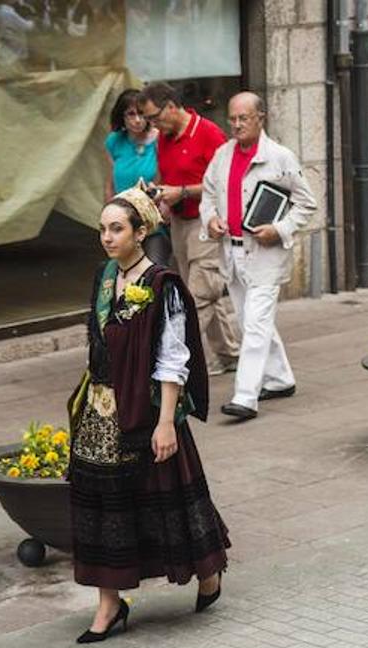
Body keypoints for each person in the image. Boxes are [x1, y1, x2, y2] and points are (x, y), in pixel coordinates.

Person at [67, 187, 230, 644]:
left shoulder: (163, 285)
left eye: (116, 228)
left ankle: (209, 571)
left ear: (141, 232)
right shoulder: (104, 278)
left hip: (148, 410)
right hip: (101, 411)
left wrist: (165, 423)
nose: (106, 237)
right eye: (102, 228)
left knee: (172, 500)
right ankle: (109, 603)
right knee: (103, 508)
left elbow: (172, 357)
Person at [201, 92, 318, 421]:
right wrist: (210, 220)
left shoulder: (280, 157)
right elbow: (208, 195)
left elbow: (307, 203)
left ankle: (245, 396)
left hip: (265, 254)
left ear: (260, 118)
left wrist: (279, 229)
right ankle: (280, 379)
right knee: (251, 320)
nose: (236, 125)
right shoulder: (222, 156)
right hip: (232, 252)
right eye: (232, 118)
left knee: (254, 324)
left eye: (243, 118)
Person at [139, 82, 242, 375]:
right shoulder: (164, 137)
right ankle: (230, 354)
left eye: (155, 117)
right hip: (180, 224)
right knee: (205, 290)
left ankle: (174, 362)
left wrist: (181, 192)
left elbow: (224, 182)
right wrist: (161, 197)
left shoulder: (208, 133)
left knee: (197, 296)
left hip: (206, 222)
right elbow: (164, 174)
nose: (153, 125)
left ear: (171, 106)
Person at [104, 89, 170, 266]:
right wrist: (108, 216)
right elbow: (110, 181)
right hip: (123, 220)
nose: (137, 120)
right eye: (130, 114)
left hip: (153, 220)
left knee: (154, 272)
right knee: (125, 274)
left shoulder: (159, 138)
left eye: (141, 114)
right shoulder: (114, 142)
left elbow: (166, 176)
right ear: (122, 117)